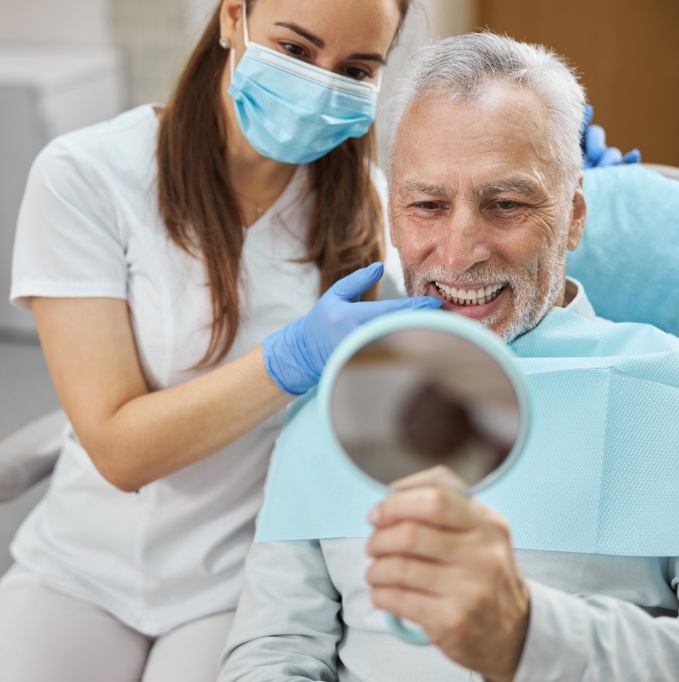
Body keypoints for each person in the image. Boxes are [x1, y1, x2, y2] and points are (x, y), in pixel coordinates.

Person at [0, 1, 450, 681]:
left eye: (355, 68)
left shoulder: (368, 207)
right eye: (296, 50)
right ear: (232, 18)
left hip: (240, 580)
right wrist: (289, 359)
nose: (321, 84)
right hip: (80, 567)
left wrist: (573, 195)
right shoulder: (87, 176)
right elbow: (120, 451)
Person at [219, 33, 679, 682]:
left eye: (507, 204)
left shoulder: (668, 395)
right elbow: (273, 650)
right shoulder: (331, 403)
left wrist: (527, 635)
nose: (460, 252)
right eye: (427, 205)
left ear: (573, 216)